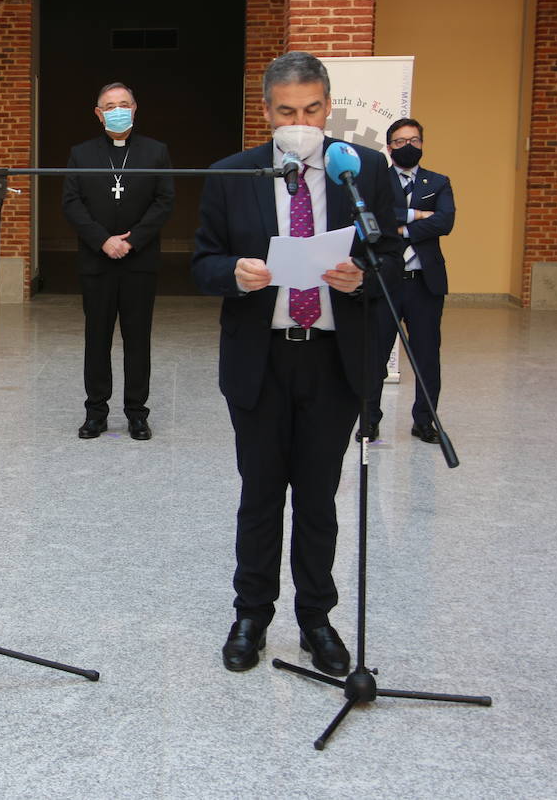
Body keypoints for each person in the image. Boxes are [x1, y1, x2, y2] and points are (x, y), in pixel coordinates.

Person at [191, 52, 401, 676]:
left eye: (311, 109)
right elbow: (202, 263)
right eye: (287, 112)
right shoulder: (234, 174)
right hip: (262, 359)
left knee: (318, 496)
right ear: (266, 112)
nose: (300, 122)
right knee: (260, 494)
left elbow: (391, 259)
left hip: (334, 361)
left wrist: (362, 275)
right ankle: (251, 613)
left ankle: (316, 618)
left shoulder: (362, 169)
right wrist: (234, 272)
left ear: (328, 105)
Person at [62, 82, 175, 440]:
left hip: (139, 261)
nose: (117, 110)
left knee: (137, 339)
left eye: (124, 104)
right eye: (110, 105)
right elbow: (71, 203)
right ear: (98, 113)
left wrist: (133, 240)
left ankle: (137, 413)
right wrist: (102, 241)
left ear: (135, 108)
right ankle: (96, 412)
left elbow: (165, 201)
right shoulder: (81, 154)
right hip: (97, 262)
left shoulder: (156, 152)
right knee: (97, 339)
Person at [362, 118, 455, 444]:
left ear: (423, 144)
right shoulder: (375, 181)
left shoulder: (438, 182)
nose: (408, 146)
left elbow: (446, 221)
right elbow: (372, 220)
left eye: (414, 140)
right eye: (400, 141)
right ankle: (369, 420)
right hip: (385, 282)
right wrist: (419, 216)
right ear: (389, 148)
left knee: (427, 357)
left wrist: (400, 227)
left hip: (424, 285)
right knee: (374, 357)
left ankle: (424, 421)